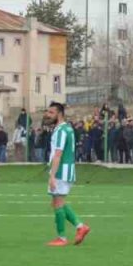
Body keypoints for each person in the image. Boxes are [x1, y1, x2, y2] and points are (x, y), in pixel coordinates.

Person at [44, 102, 90, 247]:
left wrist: (52, 175)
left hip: (61, 171)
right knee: (57, 202)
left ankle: (62, 237)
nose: (48, 115)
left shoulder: (61, 131)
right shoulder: (67, 128)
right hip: (66, 170)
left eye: (51, 112)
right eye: (48, 112)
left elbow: (58, 153)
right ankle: (80, 227)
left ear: (59, 114)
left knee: (58, 203)